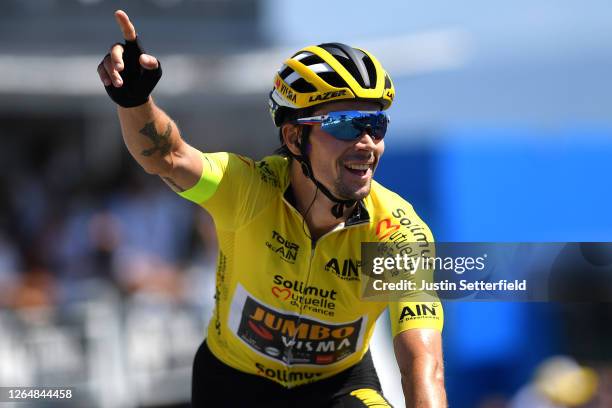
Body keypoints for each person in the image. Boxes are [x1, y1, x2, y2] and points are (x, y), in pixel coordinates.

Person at [97, 10, 446, 408]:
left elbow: (422, 362)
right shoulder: (246, 189)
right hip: (235, 383)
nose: (368, 143)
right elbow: (169, 157)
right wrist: (135, 101)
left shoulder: (396, 234)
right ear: (295, 137)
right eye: (347, 124)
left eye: (376, 125)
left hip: (336, 386)